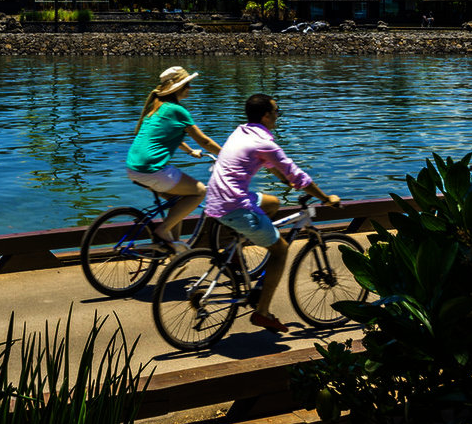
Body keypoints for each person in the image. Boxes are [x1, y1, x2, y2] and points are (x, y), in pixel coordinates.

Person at [204, 93, 341, 333]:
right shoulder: (265, 142)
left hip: (216, 200)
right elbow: (296, 175)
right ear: (266, 115)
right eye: (277, 112)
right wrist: (326, 197)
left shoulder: (242, 131)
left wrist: (285, 180)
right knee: (280, 251)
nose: (278, 116)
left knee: (272, 203)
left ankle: (234, 248)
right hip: (235, 205)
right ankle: (263, 312)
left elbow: (274, 167)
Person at [125, 65, 223, 250]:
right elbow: (205, 141)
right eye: (188, 85)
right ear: (179, 88)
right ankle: (163, 231)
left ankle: (173, 249)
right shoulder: (178, 111)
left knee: (178, 200)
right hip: (152, 168)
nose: (190, 88)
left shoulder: (158, 107)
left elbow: (168, 135)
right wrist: (227, 155)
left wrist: (189, 151)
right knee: (200, 191)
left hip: (133, 167)